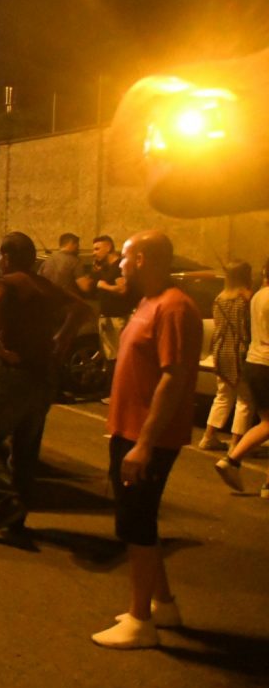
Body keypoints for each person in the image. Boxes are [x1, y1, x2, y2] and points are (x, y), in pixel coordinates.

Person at [92, 230, 202, 649]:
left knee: (135, 526)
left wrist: (144, 443)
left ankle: (140, 621)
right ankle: (163, 603)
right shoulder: (147, 302)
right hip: (129, 431)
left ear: (141, 260)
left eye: (124, 257)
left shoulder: (174, 308)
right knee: (143, 520)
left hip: (145, 437)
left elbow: (173, 379)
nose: (118, 264)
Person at [0, 232, 91, 535]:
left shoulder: (7, 283)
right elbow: (81, 308)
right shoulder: (44, 286)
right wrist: (63, 338)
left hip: (13, 373)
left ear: (7, 257)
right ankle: (17, 522)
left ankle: (7, 500)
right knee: (25, 450)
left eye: (0, 256)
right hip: (44, 375)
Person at [214, 257, 269, 496]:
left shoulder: (258, 295)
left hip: (254, 362)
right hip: (267, 363)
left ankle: (239, 463)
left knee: (266, 421)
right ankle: (232, 459)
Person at [198, 260, 254, 452]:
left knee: (222, 396)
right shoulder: (245, 300)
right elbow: (245, 331)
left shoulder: (219, 298)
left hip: (221, 350)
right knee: (244, 399)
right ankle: (235, 444)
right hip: (239, 351)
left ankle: (208, 436)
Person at [80, 235, 138, 376]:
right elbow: (88, 287)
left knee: (119, 357)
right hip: (106, 317)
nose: (94, 252)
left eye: (97, 249)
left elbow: (122, 289)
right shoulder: (105, 268)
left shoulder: (119, 266)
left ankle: (117, 392)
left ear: (109, 247)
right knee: (109, 357)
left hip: (118, 318)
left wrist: (104, 285)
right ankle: (110, 391)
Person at [38, 232, 82, 296]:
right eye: (77, 245)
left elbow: (38, 282)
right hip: (67, 301)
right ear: (71, 243)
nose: (78, 248)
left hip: (48, 301)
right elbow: (84, 287)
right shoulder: (75, 261)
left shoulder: (47, 261)